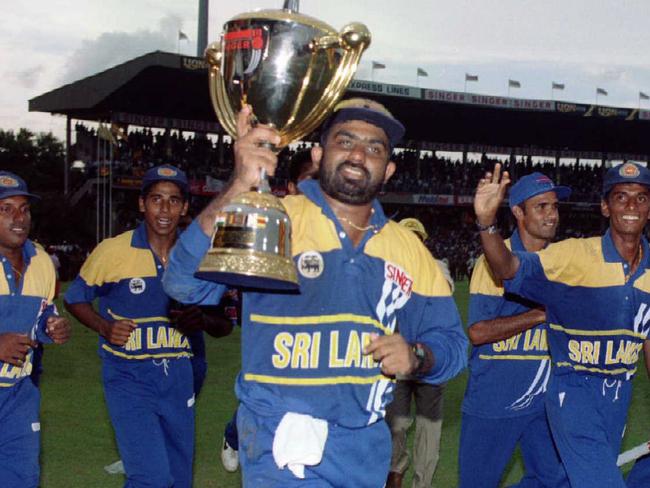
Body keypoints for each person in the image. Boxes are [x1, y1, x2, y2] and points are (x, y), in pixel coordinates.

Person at [163, 98, 468, 487]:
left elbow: (453, 345)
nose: (358, 154)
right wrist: (238, 187)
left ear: (389, 169)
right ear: (319, 153)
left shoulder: (409, 250)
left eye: (374, 148)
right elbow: (184, 284)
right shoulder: (276, 217)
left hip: (364, 451)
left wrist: (417, 356)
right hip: (281, 441)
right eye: (345, 141)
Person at [473, 161, 650, 488]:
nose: (630, 205)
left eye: (640, 197)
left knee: (568, 481)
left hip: (619, 396)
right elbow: (509, 268)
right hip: (575, 391)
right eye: (621, 196)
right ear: (605, 206)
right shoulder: (574, 256)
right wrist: (487, 224)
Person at [64, 164, 232, 488]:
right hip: (129, 378)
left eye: (173, 200)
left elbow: (224, 323)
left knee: (178, 478)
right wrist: (104, 327)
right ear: (142, 204)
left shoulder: (200, 257)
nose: (164, 209)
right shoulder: (113, 250)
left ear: (185, 207)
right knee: (150, 477)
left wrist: (203, 319)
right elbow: (75, 298)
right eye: (156, 199)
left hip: (182, 379)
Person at [459, 172, 571, 488]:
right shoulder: (492, 261)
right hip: (494, 399)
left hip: (544, 402)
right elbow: (478, 332)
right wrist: (538, 316)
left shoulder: (563, 261)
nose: (552, 215)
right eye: (542, 207)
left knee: (554, 481)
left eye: (554, 207)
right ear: (519, 213)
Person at [220, 147, 318, 474]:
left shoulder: (341, 228)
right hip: (272, 333)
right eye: (309, 181)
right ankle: (235, 433)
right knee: (264, 396)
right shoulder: (273, 221)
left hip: (317, 337)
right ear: (290, 187)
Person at [0, 171, 71, 487]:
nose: (18, 218)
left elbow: (43, 312)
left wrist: (51, 326)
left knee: (22, 479)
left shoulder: (41, 260)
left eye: (24, 208)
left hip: (18, 394)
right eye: (6, 209)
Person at [385, 217, 448, 488]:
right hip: (398, 362)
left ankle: (422, 483)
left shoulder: (437, 267)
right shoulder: (387, 271)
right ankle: (395, 471)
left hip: (430, 362)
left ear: (423, 242)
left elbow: (442, 296)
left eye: (416, 238)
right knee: (395, 425)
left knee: (428, 432)